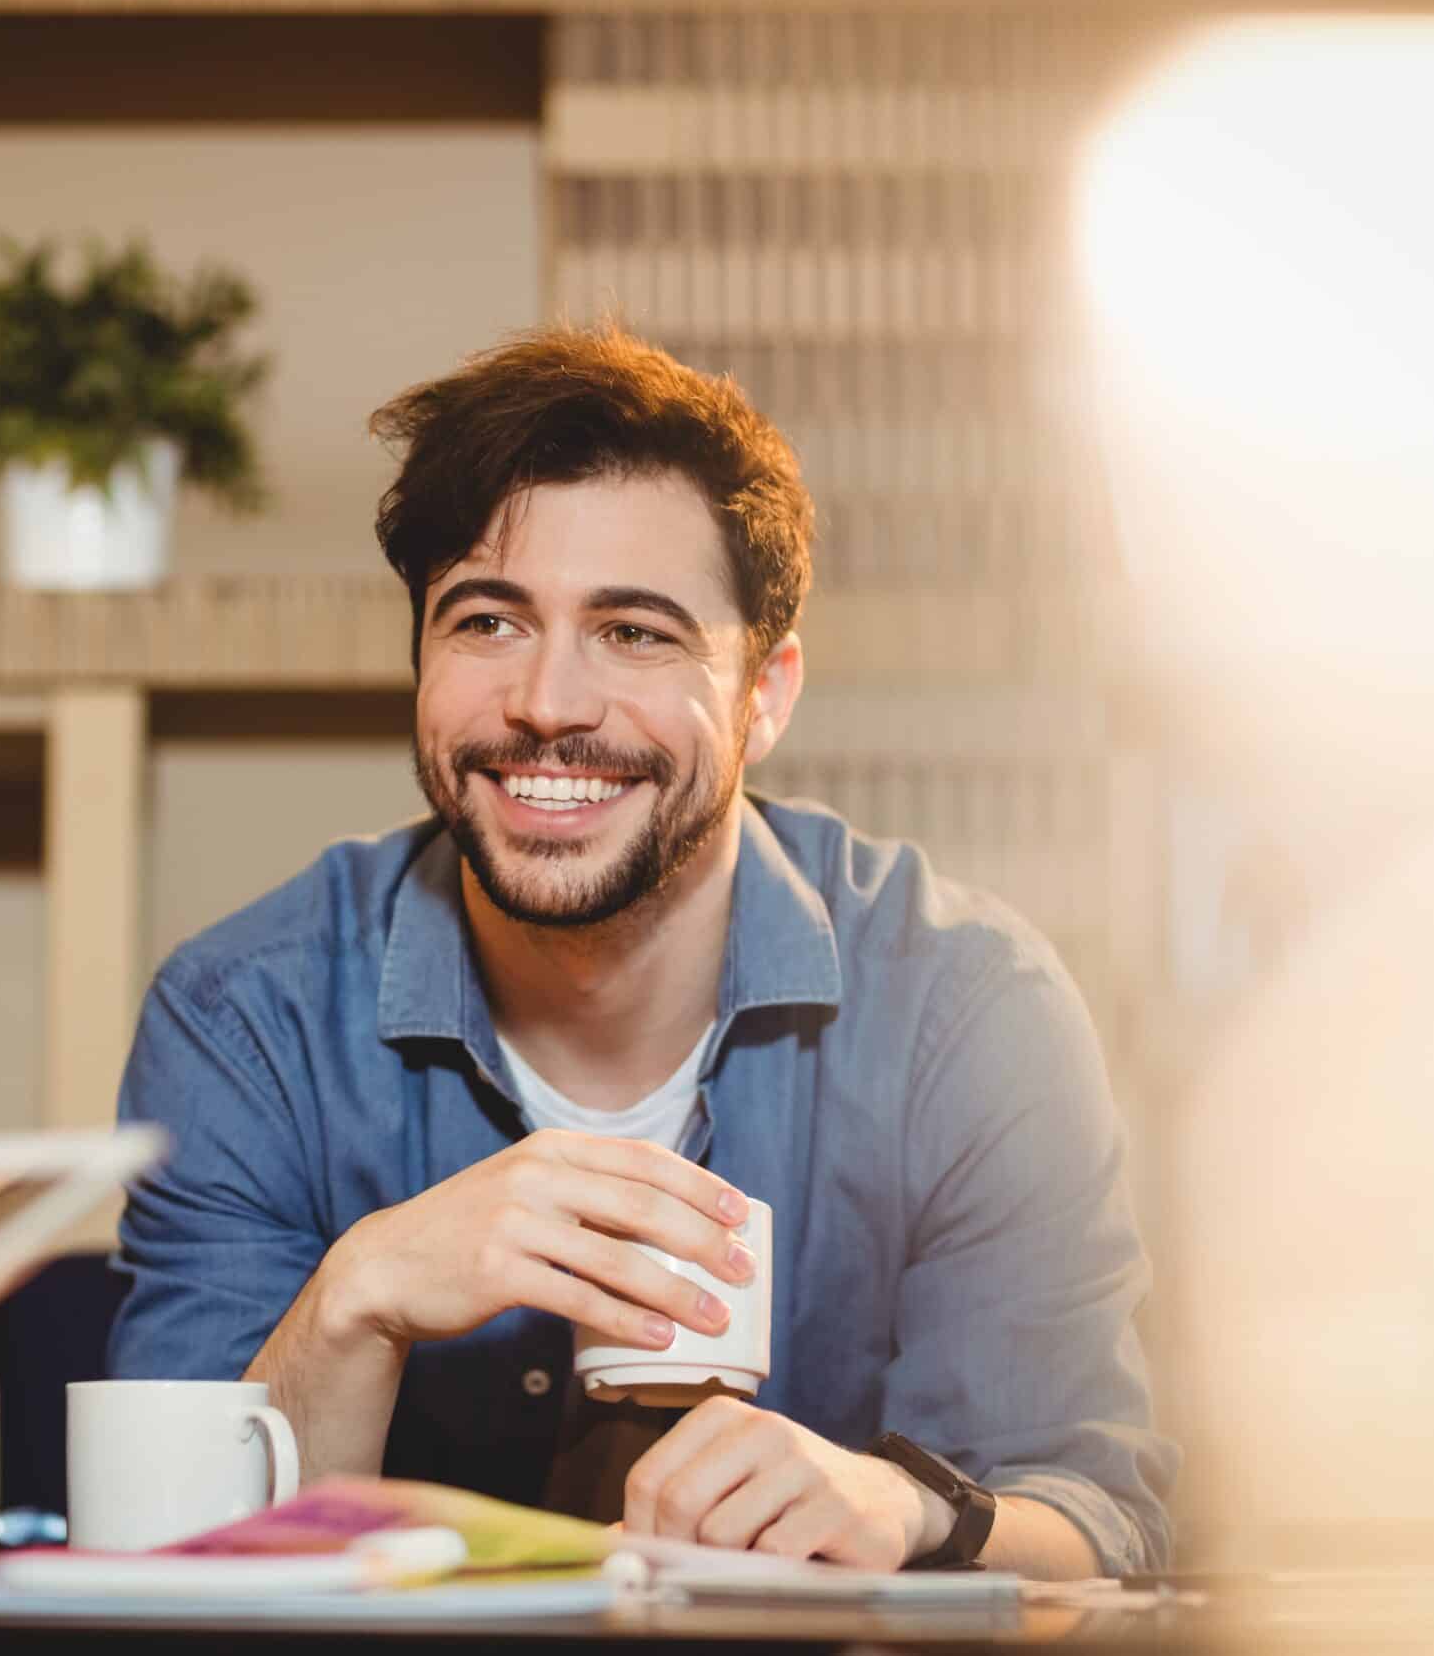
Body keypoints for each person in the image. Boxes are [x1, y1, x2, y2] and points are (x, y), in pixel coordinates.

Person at [109, 326, 1173, 1580]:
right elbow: (169, 1572)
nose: (548, 702)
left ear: (763, 695)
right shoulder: (247, 1018)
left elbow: (1100, 1520)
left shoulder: (965, 1008)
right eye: (487, 621)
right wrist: (355, 1300)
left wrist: (912, 1509)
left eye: (635, 633)